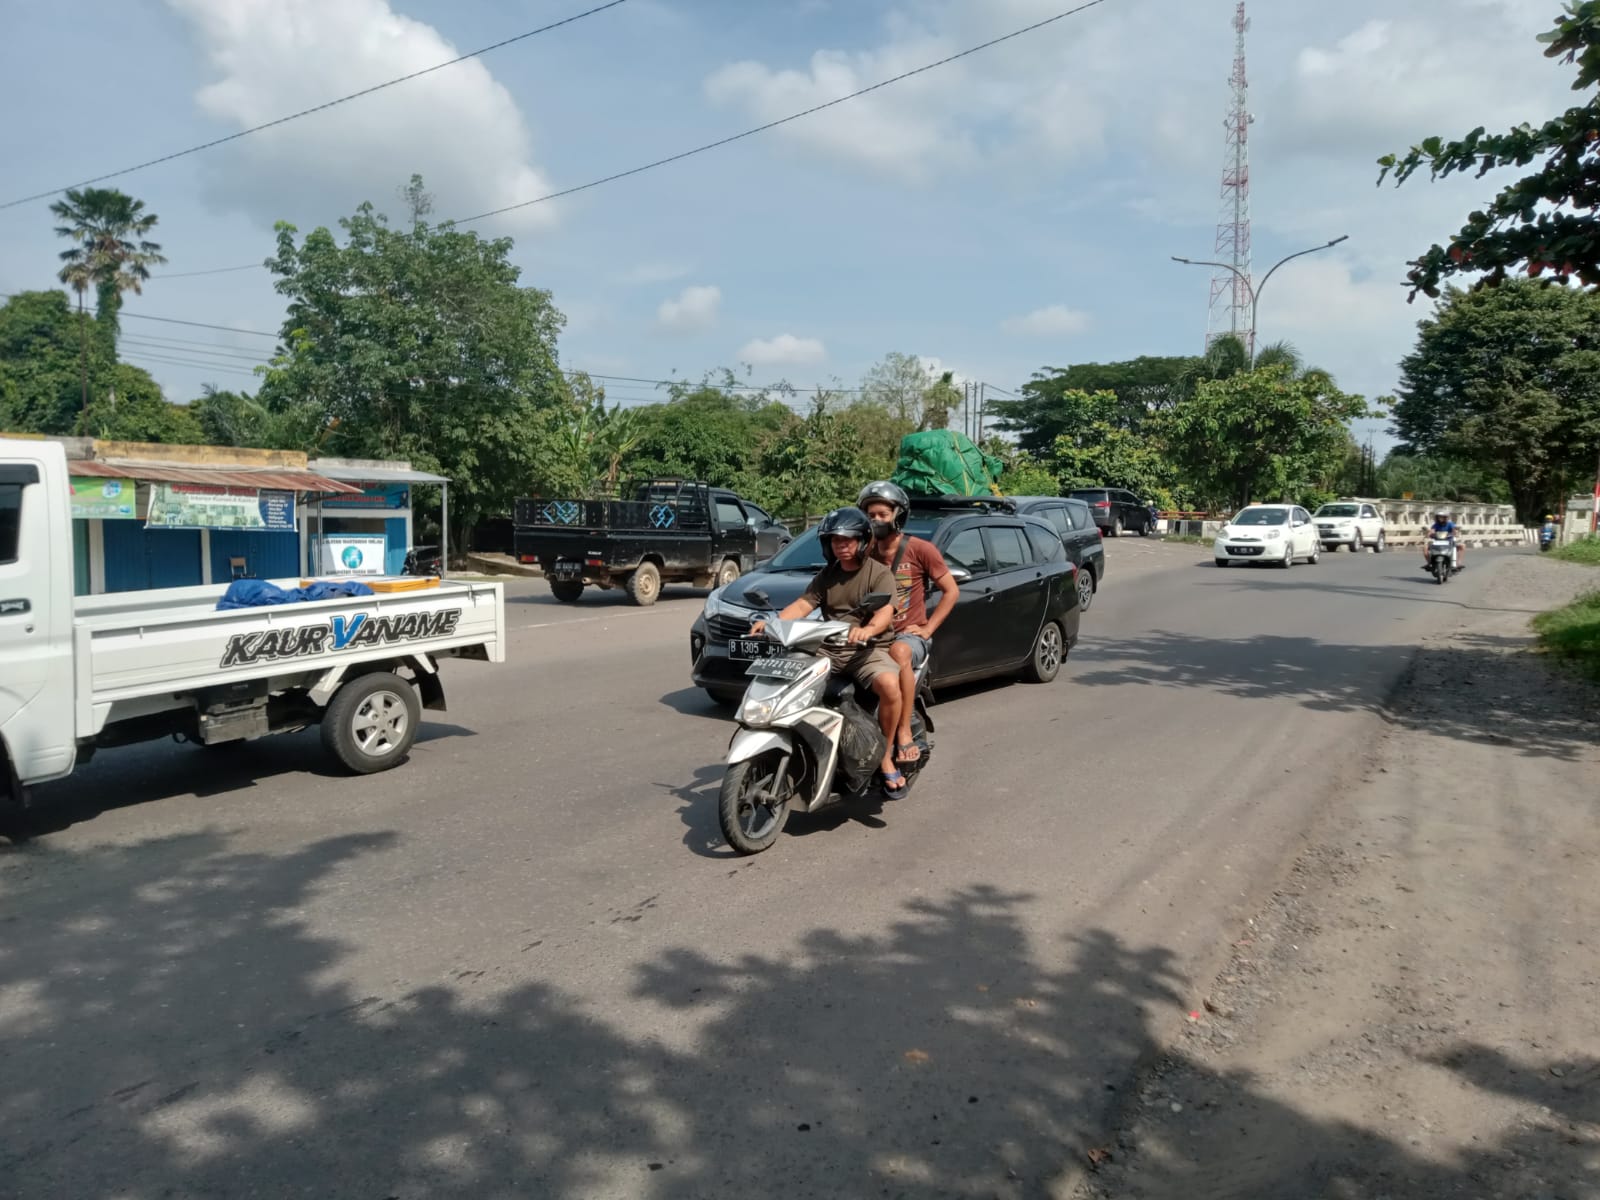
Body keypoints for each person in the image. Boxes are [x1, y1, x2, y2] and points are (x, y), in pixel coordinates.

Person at [748, 507, 908, 791]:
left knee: (889, 686)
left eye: (847, 540)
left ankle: (884, 756)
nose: (841, 545)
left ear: (862, 541)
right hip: (830, 648)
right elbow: (803, 605)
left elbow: (884, 612)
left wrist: (868, 629)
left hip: (866, 649)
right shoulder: (827, 575)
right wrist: (773, 623)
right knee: (792, 683)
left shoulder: (879, 573)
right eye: (835, 540)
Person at [857, 480, 959, 767]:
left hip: (908, 636)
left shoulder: (920, 549)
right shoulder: (863, 553)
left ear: (897, 515)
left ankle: (903, 731)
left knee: (899, 652)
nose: (875, 520)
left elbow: (951, 591)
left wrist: (927, 629)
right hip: (874, 634)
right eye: (870, 515)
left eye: (882, 514)